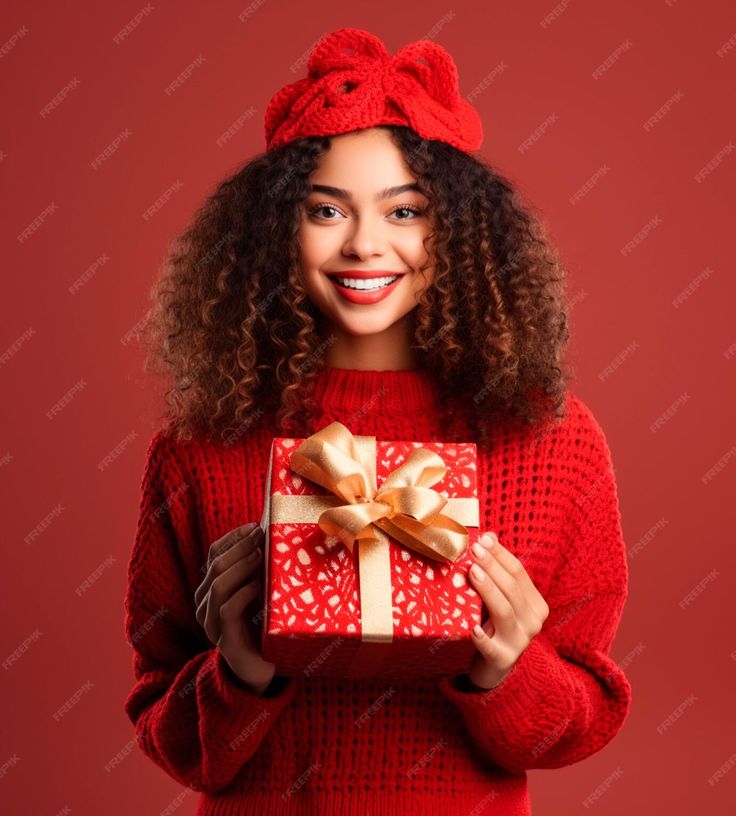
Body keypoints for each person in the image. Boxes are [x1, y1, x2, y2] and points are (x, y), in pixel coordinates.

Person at [123, 27, 632, 815]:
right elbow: (172, 738)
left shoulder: (554, 440)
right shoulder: (201, 444)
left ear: (458, 232)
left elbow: (581, 724)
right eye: (326, 209)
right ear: (272, 233)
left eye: (406, 211)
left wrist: (509, 668)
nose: (365, 244)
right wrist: (240, 671)